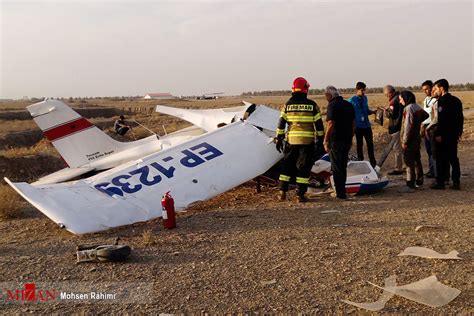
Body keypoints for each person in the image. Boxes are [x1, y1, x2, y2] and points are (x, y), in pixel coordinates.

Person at [275, 77, 325, 203]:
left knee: (287, 166)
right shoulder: (312, 105)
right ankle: (300, 195)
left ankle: (282, 192)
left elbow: (281, 123)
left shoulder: (287, 105)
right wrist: (320, 140)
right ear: (305, 89)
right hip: (307, 143)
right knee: (303, 168)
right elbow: (319, 125)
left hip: (291, 141)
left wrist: (279, 138)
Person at [430, 79, 464, 190]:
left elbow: (441, 120)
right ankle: (456, 182)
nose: (434, 90)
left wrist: (438, 134)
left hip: (443, 135)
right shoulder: (457, 100)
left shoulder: (442, 101)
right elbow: (460, 119)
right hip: (453, 135)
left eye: (435, 88)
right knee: (453, 158)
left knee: (440, 158)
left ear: (442, 88)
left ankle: (440, 182)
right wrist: (459, 132)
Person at [323, 86, 355, 199]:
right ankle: (343, 190)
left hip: (335, 141)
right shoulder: (348, 105)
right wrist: (351, 137)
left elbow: (330, 123)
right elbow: (353, 124)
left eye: (326, 95)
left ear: (329, 95)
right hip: (346, 140)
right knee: (343, 166)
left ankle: (340, 194)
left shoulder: (332, 105)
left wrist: (325, 140)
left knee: (336, 167)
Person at [399, 91, 429, 191]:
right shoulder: (416, 106)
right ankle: (419, 181)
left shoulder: (408, 108)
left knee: (409, 161)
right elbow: (426, 115)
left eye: (401, 99)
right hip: (416, 137)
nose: (400, 101)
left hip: (410, 139)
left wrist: (405, 141)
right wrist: (418, 122)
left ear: (406, 98)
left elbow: (408, 126)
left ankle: (410, 184)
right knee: (417, 160)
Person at [347, 82, 376, 167]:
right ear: (357, 90)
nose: (364, 92)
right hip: (358, 126)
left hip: (367, 125)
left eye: (364, 90)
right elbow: (348, 113)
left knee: (370, 144)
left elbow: (366, 110)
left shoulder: (365, 98)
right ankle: (361, 161)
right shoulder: (351, 100)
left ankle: (373, 162)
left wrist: (373, 112)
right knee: (359, 145)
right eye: (362, 90)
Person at [377, 85, 404, 175]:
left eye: (386, 94)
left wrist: (385, 111)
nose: (386, 96)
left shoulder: (393, 101)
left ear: (390, 93)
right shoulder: (399, 98)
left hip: (395, 126)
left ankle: (398, 168)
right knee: (401, 148)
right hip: (400, 125)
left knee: (397, 149)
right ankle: (406, 165)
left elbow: (390, 115)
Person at [420, 80, 438, 178]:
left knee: (433, 150)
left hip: (432, 127)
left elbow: (435, 117)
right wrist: (422, 125)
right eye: (424, 90)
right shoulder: (426, 100)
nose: (425, 91)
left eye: (427, 89)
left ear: (432, 88)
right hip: (425, 126)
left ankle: (436, 172)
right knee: (428, 150)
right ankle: (432, 170)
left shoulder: (436, 100)